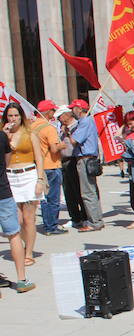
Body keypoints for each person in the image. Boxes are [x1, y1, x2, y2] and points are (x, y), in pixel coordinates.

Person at [2, 102, 46, 267]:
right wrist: (4, 136)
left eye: (16, 115)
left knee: (28, 218)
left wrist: (40, 180)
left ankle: (28, 252)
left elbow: (39, 158)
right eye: (10, 116)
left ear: (21, 117)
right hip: (10, 177)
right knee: (17, 219)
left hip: (28, 175)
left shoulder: (30, 133)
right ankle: (22, 245)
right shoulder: (3, 134)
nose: (13, 119)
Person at [0, 128, 35, 295]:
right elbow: (6, 163)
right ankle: (21, 280)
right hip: (3, 191)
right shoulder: (1, 136)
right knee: (13, 235)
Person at [63, 99, 104, 231]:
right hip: (88, 158)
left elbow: (75, 141)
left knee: (87, 192)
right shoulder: (87, 121)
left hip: (85, 158)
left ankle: (94, 222)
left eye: (73, 108)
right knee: (92, 190)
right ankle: (97, 219)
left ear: (79, 109)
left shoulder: (85, 122)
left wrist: (68, 133)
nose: (71, 111)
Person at [32, 100, 67, 235]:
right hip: (51, 165)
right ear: (48, 112)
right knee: (53, 198)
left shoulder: (32, 126)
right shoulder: (48, 128)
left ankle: (47, 225)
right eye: (53, 110)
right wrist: (63, 144)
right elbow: (54, 149)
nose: (54, 113)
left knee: (44, 199)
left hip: (38, 167)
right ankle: (51, 227)